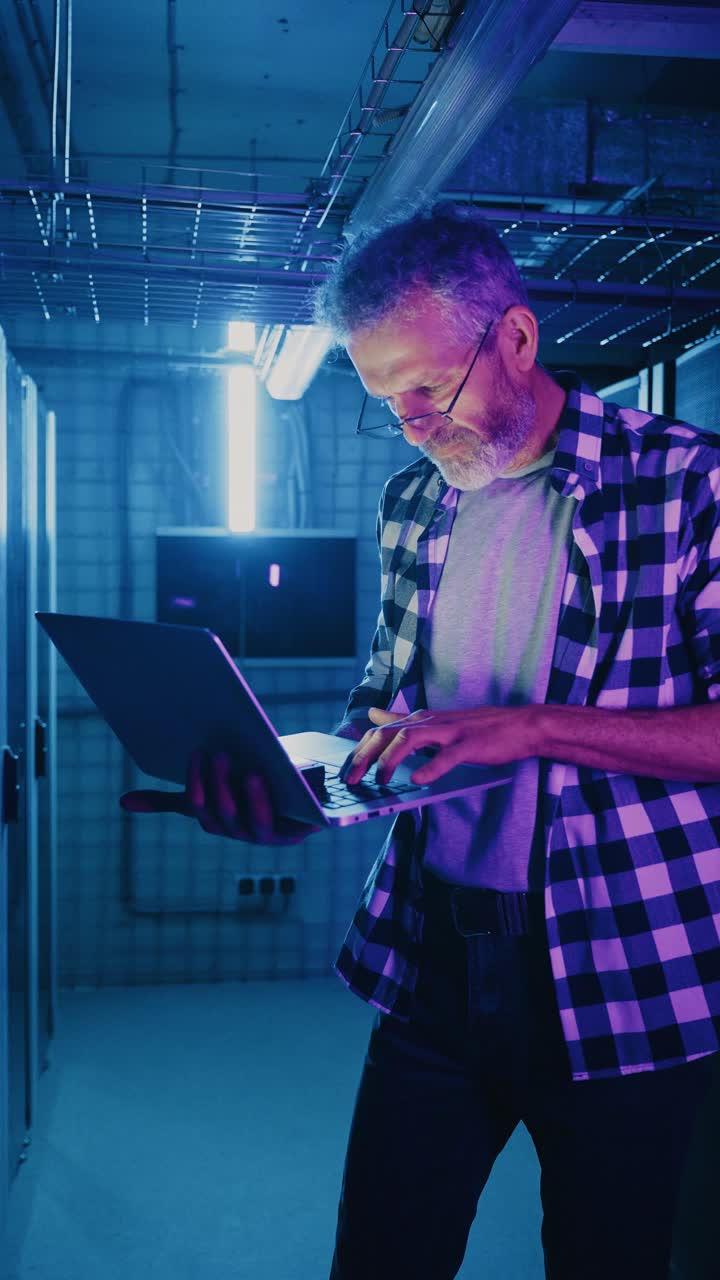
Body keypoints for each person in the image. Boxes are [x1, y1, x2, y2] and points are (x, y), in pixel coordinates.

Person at [121, 202, 720, 1279]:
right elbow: (384, 707)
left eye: (426, 390)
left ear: (519, 339)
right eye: (383, 399)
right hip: (435, 960)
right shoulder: (416, 503)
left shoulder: (686, 485)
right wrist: (302, 786)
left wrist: (532, 725)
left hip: (626, 961)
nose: (409, 424)